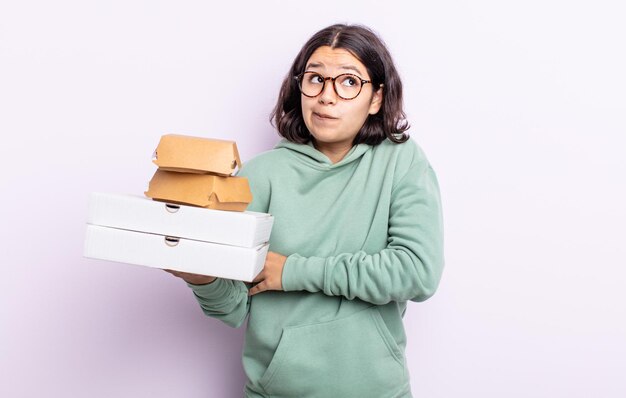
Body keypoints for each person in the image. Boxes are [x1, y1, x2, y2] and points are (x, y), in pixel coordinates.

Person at [166, 23, 444, 398]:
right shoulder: (261, 174)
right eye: (315, 79)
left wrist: (293, 271)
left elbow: (417, 272)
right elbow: (232, 307)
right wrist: (198, 275)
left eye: (348, 82)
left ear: (376, 98)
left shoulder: (401, 161)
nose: (326, 97)